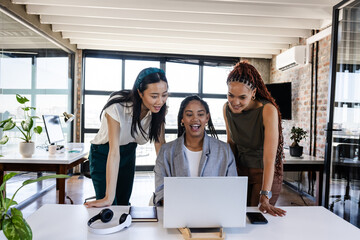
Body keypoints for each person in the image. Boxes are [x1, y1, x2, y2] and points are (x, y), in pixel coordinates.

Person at [85, 67, 168, 208]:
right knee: (109, 204)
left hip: (129, 152)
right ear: (140, 93)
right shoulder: (117, 106)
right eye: (154, 96)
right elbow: (114, 151)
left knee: (123, 204)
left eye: (164, 95)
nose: (160, 101)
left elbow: (160, 146)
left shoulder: (159, 111)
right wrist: (108, 197)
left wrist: (168, 184)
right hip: (104, 154)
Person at [223, 61, 286, 216]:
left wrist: (265, 195)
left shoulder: (267, 110)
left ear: (253, 93)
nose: (235, 102)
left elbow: (269, 159)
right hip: (240, 172)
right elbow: (231, 143)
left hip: (264, 173)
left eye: (242, 97)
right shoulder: (226, 108)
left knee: (256, 218)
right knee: (236, 217)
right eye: (231, 95)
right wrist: (227, 176)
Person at [154, 95, 237, 205]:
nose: (195, 119)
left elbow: (232, 189)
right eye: (189, 114)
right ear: (182, 119)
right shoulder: (166, 151)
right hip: (178, 215)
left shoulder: (224, 150)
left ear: (207, 118)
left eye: (200, 114)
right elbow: (160, 191)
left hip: (214, 215)